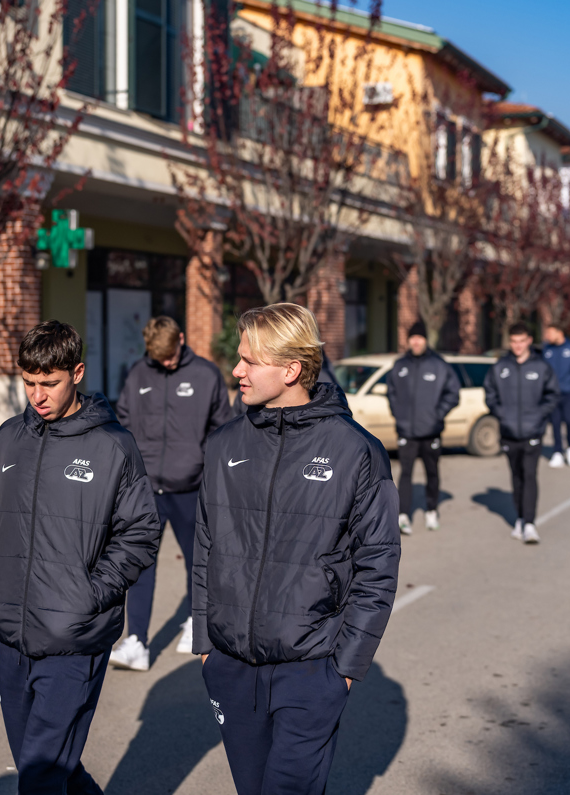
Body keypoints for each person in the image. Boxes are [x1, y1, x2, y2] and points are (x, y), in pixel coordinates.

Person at [192, 303, 401, 795]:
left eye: (250, 361)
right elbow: (205, 547)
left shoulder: (356, 451)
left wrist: (343, 671)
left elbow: (377, 566)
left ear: (290, 370)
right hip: (231, 666)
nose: (236, 370)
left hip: (311, 670)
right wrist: (205, 645)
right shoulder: (223, 445)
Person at [0, 320, 161, 795]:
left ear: (76, 373)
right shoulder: (7, 439)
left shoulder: (112, 446)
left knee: (40, 775)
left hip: (74, 640)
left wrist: (88, 596)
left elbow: (140, 532)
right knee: (47, 768)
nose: (38, 396)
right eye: (29, 383)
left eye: (50, 383)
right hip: (12, 634)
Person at [110, 317, 232, 671]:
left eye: (170, 355)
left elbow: (222, 429)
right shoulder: (138, 374)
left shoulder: (206, 375)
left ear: (181, 338)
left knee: (198, 562)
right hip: (147, 489)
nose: (165, 362)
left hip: (190, 487)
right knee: (140, 564)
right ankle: (137, 642)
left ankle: (195, 622)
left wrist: (205, 469)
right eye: (158, 358)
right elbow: (123, 424)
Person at [483, 323, 560, 544]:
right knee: (516, 477)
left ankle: (529, 523)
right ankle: (519, 518)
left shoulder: (541, 367)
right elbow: (490, 394)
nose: (518, 346)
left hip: (532, 432)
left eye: (522, 341)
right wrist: (502, 415)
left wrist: (538, 416)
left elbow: (552, 395)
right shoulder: (500, 367)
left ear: (529, 341)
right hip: (509, 432)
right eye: (514, 342)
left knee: (529, 475)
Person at [386, 320, 460, 534]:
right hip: (406, 432)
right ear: (408, 341)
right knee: (405, 473)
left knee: (432, 473)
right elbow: (391, 392)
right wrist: (398, 414)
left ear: (425, 340)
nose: (416, 342)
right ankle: (403, 515)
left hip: (431, 431)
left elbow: (453, 394)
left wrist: (437, 415)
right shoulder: (400, 365)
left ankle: (432, 510)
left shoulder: (439, 365)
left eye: (419, 338)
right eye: (413, 338)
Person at [542, 322, 570, 468]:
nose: (547, 336)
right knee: (555, 422)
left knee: (569, 420)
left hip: (569, 391)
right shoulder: (547, 350)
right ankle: (557, 452)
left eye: (550, 333)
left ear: (559, 333)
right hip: (552, 393)